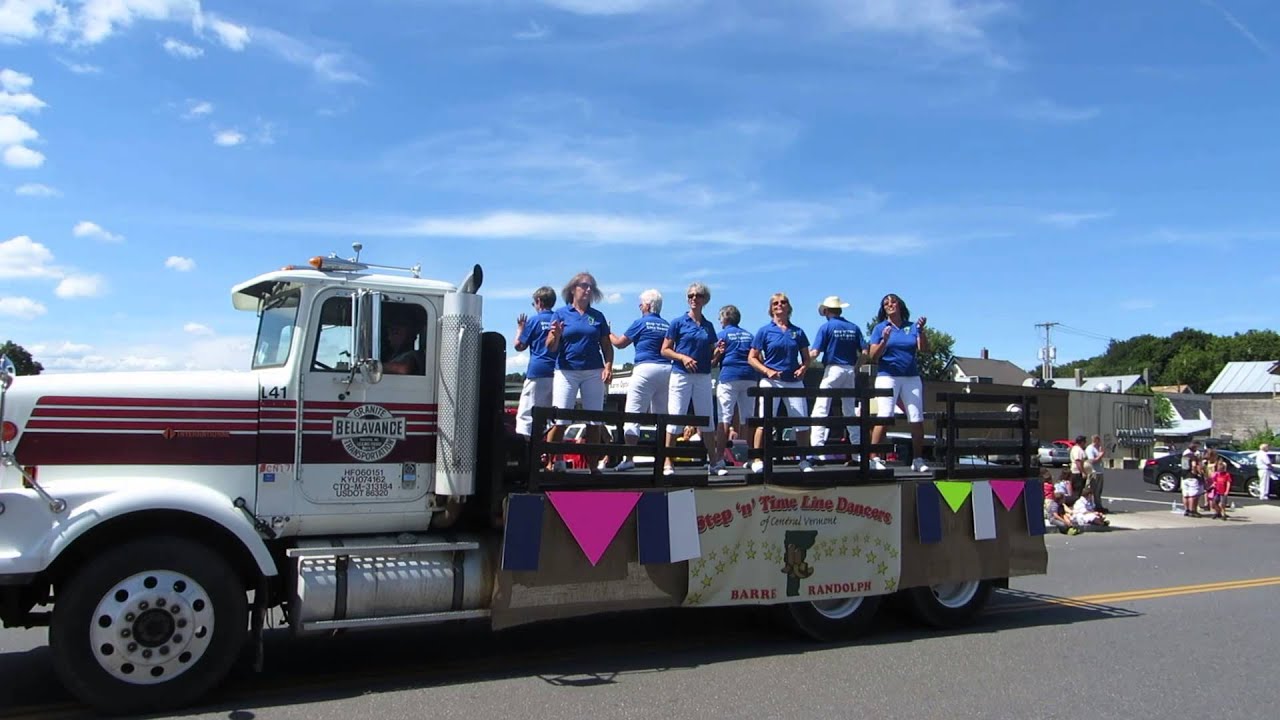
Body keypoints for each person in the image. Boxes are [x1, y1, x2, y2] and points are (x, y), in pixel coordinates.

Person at [544, 272, 613, 475]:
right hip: (567, 371)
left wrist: (608, 366)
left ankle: (593, 464)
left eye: (591, 286)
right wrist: (555, 335)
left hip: (593, 370)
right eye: (584, 285)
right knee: (561, 418)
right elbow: (550, 347)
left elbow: (607, 346)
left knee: (594, 420)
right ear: (573, 289)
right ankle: (553, 460)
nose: (588, 289)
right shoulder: (560, 314)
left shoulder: (597, 317)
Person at [748, 292, 813, 473]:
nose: (779, 305)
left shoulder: (797, 331)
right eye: (775, 303)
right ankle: (758, 459)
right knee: (764, 420)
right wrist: (767, 371)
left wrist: (803, 368)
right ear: (771, 308)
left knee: (801, 421)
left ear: (788, 306)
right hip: (771, 381)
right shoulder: (764, 331)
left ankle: (803, 459)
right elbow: (752, 358)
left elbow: (807, 358)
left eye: (783, 302)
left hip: (793, 380)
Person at [661, 282, 722, 476]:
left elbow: (712, 360)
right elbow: (665, 350)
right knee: (676, 416)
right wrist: (683, 357)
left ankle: (713, 462)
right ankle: (667, 460)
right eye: (690, 296)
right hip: (680, 374)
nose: (694, 298)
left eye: (698, 296)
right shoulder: (678, 322)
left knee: (707, 419)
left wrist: (719, 354)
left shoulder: (708, 326)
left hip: (703, 375)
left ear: (705, 300)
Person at [609, 289, 670, 471]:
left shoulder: (641, 323)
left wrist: (608, 333)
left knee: (633, 414)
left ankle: (629, 458)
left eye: (641, 304)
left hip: (645, 368)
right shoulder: (667, 325)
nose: (639, 306)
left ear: (648, 305)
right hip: (667, 369)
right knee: (662, 418)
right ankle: (664, 460)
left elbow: (620, 343)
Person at [868, 293, 930, 472]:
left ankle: (918, 459)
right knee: (885, 415)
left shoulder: (911, 327)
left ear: (900, 305)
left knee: (916, 417)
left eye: (893, 302)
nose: (890, 305)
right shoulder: (880, 328)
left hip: (911, 376)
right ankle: (874, 457)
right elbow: (873, 356)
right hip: (888, 375)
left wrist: (921, 331)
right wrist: (884, 341)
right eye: (886, 303)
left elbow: (924, 349)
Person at [807, 296, 866, 458]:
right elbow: (865, 352)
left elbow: (815, 352)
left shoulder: (826, 327)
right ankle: (857, 453)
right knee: (849, 412)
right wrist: (856, 367)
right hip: (849, 370)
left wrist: (803, 363)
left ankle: (817, 451)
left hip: (833, 369)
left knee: (821, 408)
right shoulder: (854, 327)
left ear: (826, 311)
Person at [713, 304, 759, 471]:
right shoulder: (750, 335)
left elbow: (713, 358)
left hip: (729, 377)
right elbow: (757, 356)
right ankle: (746, 458)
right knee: (747, 418)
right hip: (750, 377)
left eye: (720, 319)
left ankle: (719, 458)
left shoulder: (722, 334)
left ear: (725, 318)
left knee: (724, 418)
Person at [513, 286, 557, 438]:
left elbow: (519, 346)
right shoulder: (559, 319)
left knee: (527, 414)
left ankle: (525, 454)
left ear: (539, 301)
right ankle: (554, 458)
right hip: (557, 372)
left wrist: (520, 329)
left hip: (538, 371)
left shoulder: (534, 320)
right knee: (553, 417)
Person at [381, 310, 423, 375]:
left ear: (411, 335)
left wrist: (373, 367)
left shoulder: (413, 354)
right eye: (389, 332)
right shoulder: (392, 355)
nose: (390, 337)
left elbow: (403, 369)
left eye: (396, 332)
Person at [1084, 434, 1107, 512]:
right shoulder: (1090, 449)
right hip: (1094, 472)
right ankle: (1092, 506)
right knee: (1092, 490)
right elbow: (1092, 460)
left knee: (1099, 491)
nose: (1100, 442)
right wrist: (1100, 455)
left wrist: (1101, 453)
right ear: (1095, 440)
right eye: (1098, 440)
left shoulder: (1098, 448)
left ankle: (1098, 505)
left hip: (1100, 471)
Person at [1068, 435, 1088, 500]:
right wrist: (1082, 472)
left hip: (1077, 472)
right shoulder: (1078, 450)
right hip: (1077, 473)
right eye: (1084, 442)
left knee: (1078, 490)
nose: (1085, 443)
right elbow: (1078, 462)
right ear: (1081, 442)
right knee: (1078, 491)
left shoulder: (1076, 449)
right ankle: (1076, 505)